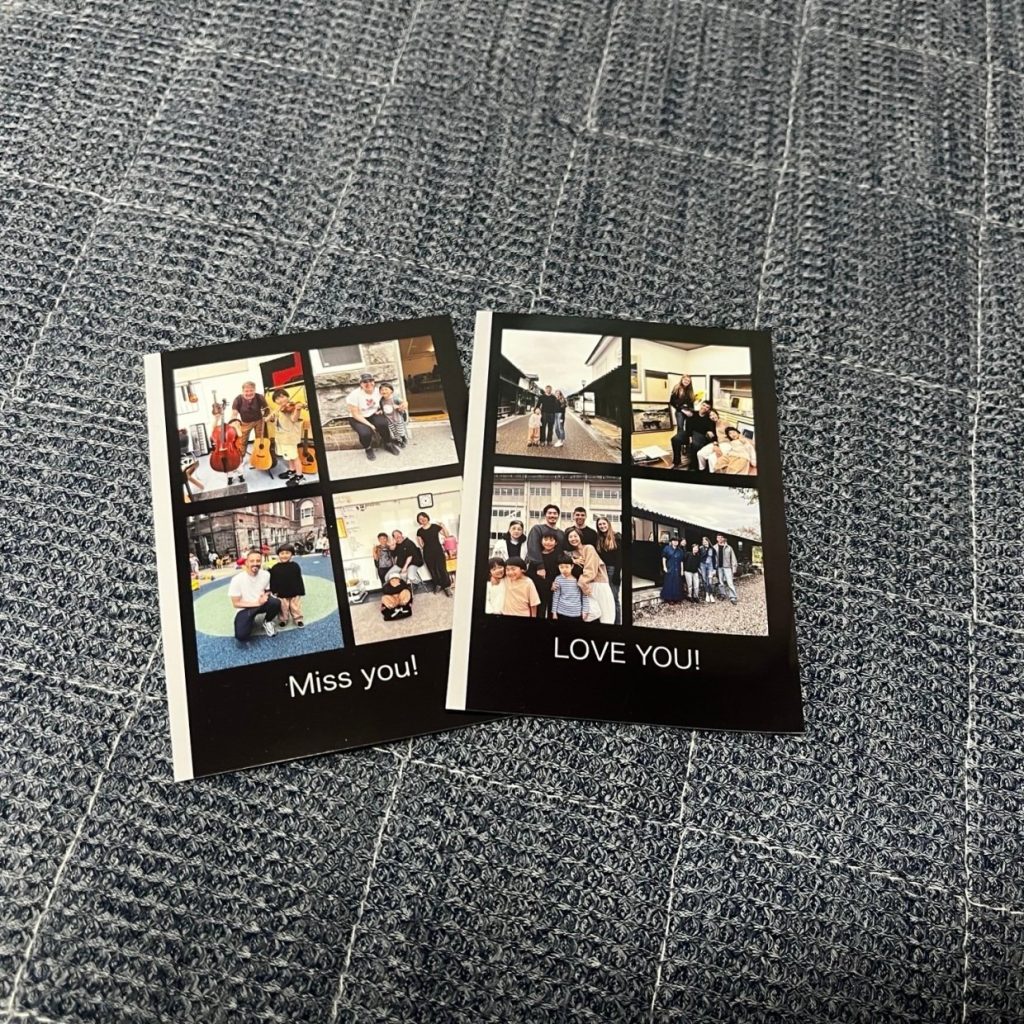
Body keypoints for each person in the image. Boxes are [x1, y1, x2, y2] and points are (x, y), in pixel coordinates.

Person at [565, 527, 615, 624]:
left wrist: (582, 582)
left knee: (606, 617)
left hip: (598, 584)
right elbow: (562, 558)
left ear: (580, 537)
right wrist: (572, 560)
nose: (573, 539)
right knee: (591, 615)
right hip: (586, 586)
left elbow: (590, 570)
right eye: (570, 537)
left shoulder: (589, 548)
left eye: (575, 536)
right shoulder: (572, 554)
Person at [346, 372, 399, 462]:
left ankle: (387, 443)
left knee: (383, 423)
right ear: (361, 384)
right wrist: (370, 425)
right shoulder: (354, 395)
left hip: (373, 413)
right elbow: (355, 414)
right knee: (365, 433)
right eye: (365, 382)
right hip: (358, 417)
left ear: (374, 382)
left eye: (370, 381)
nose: (368, 383)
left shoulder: (378, 391)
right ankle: (368, 448)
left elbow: (390, 397)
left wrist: (403, 403)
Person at [228, 551, 280, 641]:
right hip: (245, 608)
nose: (255, 563)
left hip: (261, 604)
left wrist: (265, 595)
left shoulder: (266, 574)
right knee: (241, 636)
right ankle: (249, 619)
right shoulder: (237, 579)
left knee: (275, 602)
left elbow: (267, 590)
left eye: (258, 561)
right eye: (252, 561)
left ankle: (267, 621)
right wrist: (257, 603)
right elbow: (236, 603)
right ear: (246, 562)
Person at [270, 388, 307, 486]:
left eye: (282, 397)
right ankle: (292, 470)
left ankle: (299, 475)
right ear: (275, 401)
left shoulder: (292, 408)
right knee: (288, 456)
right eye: (277, 398)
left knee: (294, 457)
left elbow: (294, 419)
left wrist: (298, 409)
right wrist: (272, 417)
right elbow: (273, 420)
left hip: (290, 438)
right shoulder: (279, 409)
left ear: (287, 397)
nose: (280, 400)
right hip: (281, 437)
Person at [230, 381, 272, 466]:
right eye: (246, 391)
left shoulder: (259, 397)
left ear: (254, 390)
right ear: (242, 391)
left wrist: (266, 416)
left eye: (251, 390)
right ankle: (241, 459)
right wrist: (233, 421)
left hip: (259, 421)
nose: (249, 393)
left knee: (260, 440)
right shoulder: (238, 399)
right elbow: (234, 413)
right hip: (245, 423)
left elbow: (267, 408)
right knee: (242, 442)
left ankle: (260, 458)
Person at [415, 512, 453, 596]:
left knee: (442, 569)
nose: (423, 519)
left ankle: (447, 587)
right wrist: (422, 543)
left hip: (438, 551)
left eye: (424, 517)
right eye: (420, 519)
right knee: (432, 570)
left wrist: (443, 526)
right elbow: (421, 544)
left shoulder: (435, 527)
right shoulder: (419, 531)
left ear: (427, 517)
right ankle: (438, 585)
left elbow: (447, 535)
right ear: (419, 521)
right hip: (427, 553)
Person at [268, 543, 305, 626]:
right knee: (283, 607)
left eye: (287, 553)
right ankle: (283, 619)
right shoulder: (275, 568)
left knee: (295, 607)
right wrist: (274, 591)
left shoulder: (295, 566)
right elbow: (273, 580)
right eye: (282, 553)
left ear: (292, 554)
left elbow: (299, 579)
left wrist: (301, 591)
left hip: (294, 591)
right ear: (278, 555)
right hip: (281, 592)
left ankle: (298, 619)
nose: (284, 555)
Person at [529, 529, 563, 618]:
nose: (548, 542)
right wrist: (548, 584)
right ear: (541, 541)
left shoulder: (560, 555)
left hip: (555, 589)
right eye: (546, 539)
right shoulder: (536, 557)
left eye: (551, 540)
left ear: (556, 542)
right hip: (540, 589)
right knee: (540, 612)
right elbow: (531, 575)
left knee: (553, 613)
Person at [595, 516, 621, 624]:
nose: (602, 526)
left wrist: (616, 574)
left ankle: (617, 622)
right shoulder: (599, 539)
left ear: (608, 524)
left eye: (604, 523)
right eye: (600, 524)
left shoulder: (617, 537)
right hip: (601, 570)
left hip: (612, 570)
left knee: (614, 598)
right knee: (605, 598)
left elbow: (620, 558)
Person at [549, 555, 592, 621]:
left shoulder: (579, 579)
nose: (564, 569)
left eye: (567, 567)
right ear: (558, 567)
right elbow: (556, 596)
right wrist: (554, 612)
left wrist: (585, 611)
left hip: (576, 613)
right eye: (561, 567)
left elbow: (584, 595)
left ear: (572, 566)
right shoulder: (558, 579)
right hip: (561, 612)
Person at [668, 375, 695, 467]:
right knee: (680, 428)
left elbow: (691, 403)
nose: (686, 381)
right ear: (682, 379)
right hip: (680, 411)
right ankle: (679, 446)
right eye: (685, 379)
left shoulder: (690, 390)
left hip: (688, 411)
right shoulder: (677, 388)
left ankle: (686, 447)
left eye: (688, 380)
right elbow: (672, 402)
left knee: (688, 428)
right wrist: (683, 410)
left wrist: (692, 411)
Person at [527, 504, 565, 569]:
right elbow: (533, 548)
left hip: (556, 568)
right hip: (539, 568)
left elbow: (563, 551)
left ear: (558, 516)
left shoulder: (561, 533)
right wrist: (540, 566)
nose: (552, 515)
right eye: (549, 513)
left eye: (555, 513)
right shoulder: (537, 529)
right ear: (545, 515)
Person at [687, 402, 719, 469]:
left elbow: (711, 429)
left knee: (695, 444)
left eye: (707, 407)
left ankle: (694, 465)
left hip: (701, 434)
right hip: (690, 432)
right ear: (701, 405)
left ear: (708, 409)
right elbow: (688, 426)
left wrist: (709, 432)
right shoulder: (693, 414)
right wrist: (690, 437)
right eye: (704, 405)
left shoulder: (708, 417)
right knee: (676, 439)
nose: (704, 408)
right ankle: (677, 461)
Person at [377, 381, 409, 448]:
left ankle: (403, 438)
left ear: (391, 390)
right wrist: (380, 411)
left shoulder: (395, 398)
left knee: (400, 431)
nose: (384, 391)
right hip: (389, 420)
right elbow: (383, 408)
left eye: (386, 389)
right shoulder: (381, 400)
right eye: (382, 390)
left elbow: (403, 404)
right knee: (394, 432)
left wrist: (399, 407)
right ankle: (399, 441)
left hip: (397, 419)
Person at [715, 533, 739, 603]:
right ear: (716, 539)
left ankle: (733, 597)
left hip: (727, 567)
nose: (719, 539)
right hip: (719, 568)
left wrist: (734, 568)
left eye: (721, 537)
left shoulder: (729, 547)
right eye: (718, 538)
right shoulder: (714, 547)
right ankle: (722, 594)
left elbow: (733, 558)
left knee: (730, 583)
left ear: (723, 538)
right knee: (721, 582)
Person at [660, 536, 685, 603]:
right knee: (669, 583)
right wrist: (664, 567)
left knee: (677, 583)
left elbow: (681, 561)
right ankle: (669, 598)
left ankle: (676, 598)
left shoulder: (680, 550)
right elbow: (664, 558)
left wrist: (682, 570)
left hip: (677, 568)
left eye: (677, 541)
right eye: (674, 541)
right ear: (671, 542)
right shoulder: (667, 548)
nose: (675, 542)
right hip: (670, 567)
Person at [698, 536, 717, 603]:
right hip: (702, 565)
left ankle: (711, 595)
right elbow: (698, 558)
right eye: (703, 541)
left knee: (710, 580)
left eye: (706, 541)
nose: (705, 542)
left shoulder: (712, 549)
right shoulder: (700, 548)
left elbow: (714, 559)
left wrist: (714, 569)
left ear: (708, 541)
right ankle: (707, 594)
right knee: (704, 580)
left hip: (710, 565)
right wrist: (698, 568)